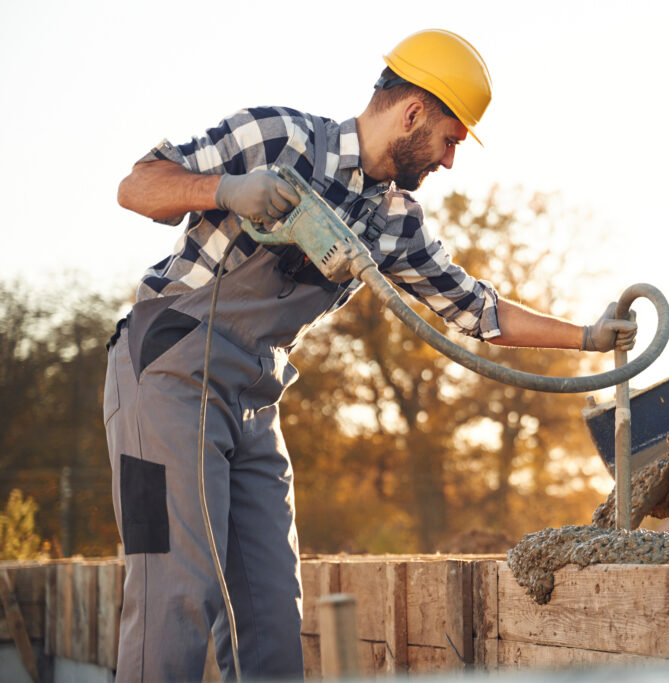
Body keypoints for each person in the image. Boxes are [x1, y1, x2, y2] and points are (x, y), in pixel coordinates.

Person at [107, 29, 637, 682]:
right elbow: (138, 186)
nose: (449, 160)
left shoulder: (395, 221)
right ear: (412, 114)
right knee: (176, 592)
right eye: (450, 139)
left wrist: (590, 334)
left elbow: (481, 311)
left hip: (252, 399)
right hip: (164, 374)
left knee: (271, 616)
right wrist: (226, 190)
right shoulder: (278, 137)